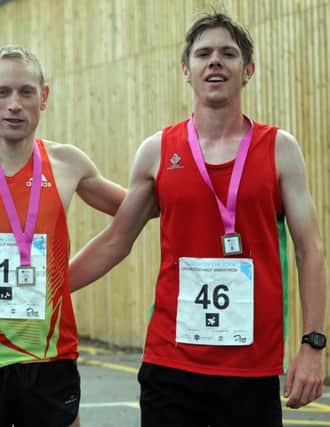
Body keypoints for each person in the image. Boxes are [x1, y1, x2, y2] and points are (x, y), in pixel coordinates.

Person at [69, 11, 327, 427]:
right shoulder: (157, 151)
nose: (215, 62)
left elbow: (310, 250)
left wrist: (313, 345)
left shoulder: (280, 149)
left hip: (252, 368)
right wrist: (50, 290)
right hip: (170, 364)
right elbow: (116, 240)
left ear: (249, 70)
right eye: (203, 54)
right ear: (185, 71)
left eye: (228, 54)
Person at [0, 45, 126, 427]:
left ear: (43, 97)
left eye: (25, 92)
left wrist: (66, 279)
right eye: (3, 92)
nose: (14, 104)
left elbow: (134, 215)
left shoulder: (69, 163)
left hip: (49, 357)